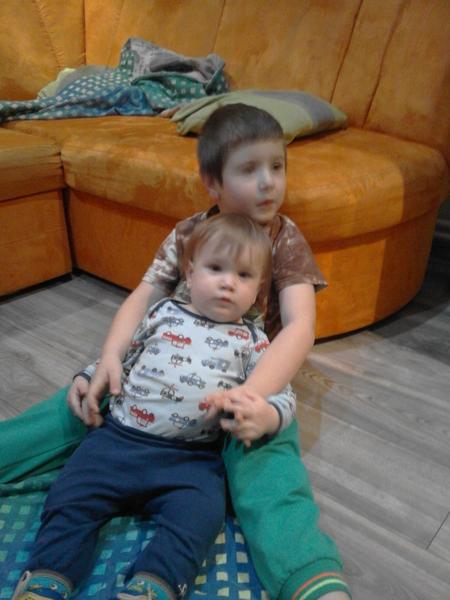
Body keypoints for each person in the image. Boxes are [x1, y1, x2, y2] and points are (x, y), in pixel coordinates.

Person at [69, 104, 351, 600]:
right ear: (212, 183)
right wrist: (109, 357)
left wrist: (251, 398)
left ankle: (308, 574)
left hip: (252, 381)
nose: (269, 182)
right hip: (161, 378)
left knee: (270, 473)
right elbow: (144, 296)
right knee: (74, 407)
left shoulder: (285, 239)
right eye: (249, 169)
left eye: (277, 166)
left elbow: (300, 327)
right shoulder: (187, 232)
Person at [12, 213, 297, 600]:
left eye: (244, 275)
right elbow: (123, 359)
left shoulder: (254, 341)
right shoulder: (161, 313)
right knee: (69, 496)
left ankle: (154, 584)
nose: (228, 283)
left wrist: (267, 415)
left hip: (191, 459)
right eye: (216, 269)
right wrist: (88, 375)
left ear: (258, 288)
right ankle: (48, 577)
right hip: (116, 442)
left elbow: (282, 395)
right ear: (190, 272)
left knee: (201, 516)